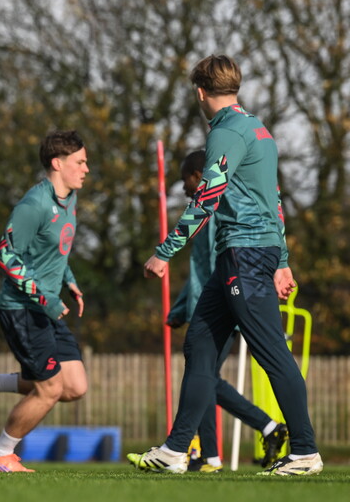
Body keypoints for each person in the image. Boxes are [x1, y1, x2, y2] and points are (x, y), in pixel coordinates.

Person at [130, 55, 322, 476]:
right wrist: (283, 260)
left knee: (272, 351)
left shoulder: (226, 134)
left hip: (245, 254)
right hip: (246, 255)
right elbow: (274, 199)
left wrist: (164, 252)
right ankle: (176, 450)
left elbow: (206, 198)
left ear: (200, 92)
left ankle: (305, 452)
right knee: (199, 345)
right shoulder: (259, 130)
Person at [0, 130, 89, 473]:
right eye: (80, 162)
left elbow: (55, 252)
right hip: (22, 308)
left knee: (75, 385)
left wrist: (70, 282)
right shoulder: (34, 205)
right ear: (57, 163)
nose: (86, 169)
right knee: (49, 389)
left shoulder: (70, 199)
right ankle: (1, 455)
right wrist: (46, 299)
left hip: (46, 306)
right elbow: (5, 255)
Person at [166, 150, 287, 473]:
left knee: (202, 374)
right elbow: (200, 273)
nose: (183, 189)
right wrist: (180, 308)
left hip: (222, 299)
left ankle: (225, 447)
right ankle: (220, 450)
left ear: (197, 174)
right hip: (213, 298)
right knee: (204, 373)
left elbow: (214, 269)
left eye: (184, 181)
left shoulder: (213, 211)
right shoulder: (215, 208)